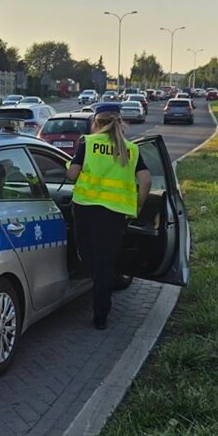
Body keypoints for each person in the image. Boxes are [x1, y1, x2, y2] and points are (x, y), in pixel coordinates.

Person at [65, 103, 151, 329]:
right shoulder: (131, 149)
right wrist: (138, 207)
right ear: (120, 122)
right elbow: (146, 181)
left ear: (96, 122)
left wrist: (70, 165)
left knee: (88, 256)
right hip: (114, 215)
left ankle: (88, 283)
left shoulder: (88, 143)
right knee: (105, 264)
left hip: (85, 210)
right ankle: (100, 316)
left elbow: (73, 175)